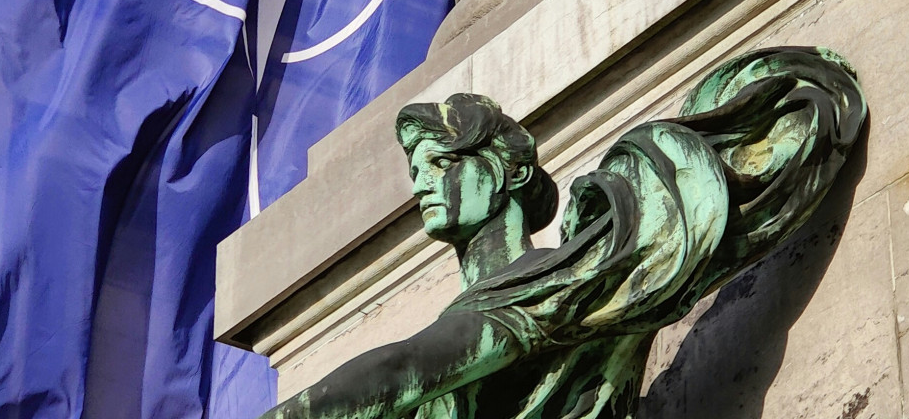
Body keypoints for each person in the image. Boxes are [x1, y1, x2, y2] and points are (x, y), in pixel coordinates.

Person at [259, 47, 867, 419]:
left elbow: (404, 368)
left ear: (510, 171)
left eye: (443, 164)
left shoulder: (537, 285)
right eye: (417, 172)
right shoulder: (493, 300)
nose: (422, 185)